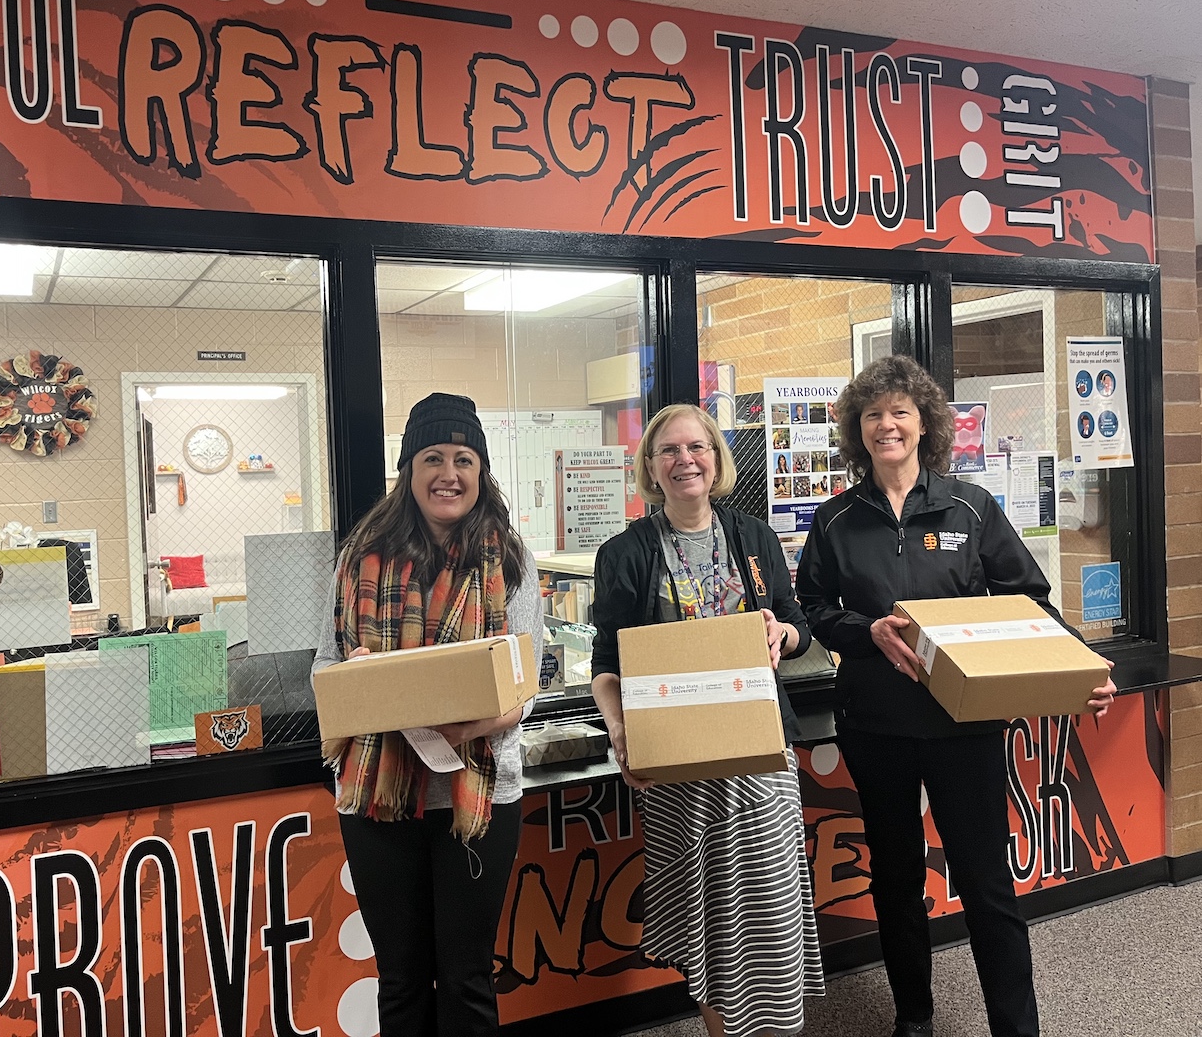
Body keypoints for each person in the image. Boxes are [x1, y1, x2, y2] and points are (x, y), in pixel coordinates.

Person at [795, 356, 1116, 1037]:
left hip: (964, 722)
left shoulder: (971, 507)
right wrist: (866, 630)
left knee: (986, 882)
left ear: (924, 424)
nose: (888, 424)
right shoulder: (835, 519)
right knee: (897, 879)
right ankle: (914, 1016)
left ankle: (1015, 1025)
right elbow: (814, 607)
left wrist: (1081, 666)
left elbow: (1029, 599)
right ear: (859, 428)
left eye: (900, 411)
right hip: (876, 724)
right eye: (874, 413)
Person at [589, 403, 824, 1037]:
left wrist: (783, 635)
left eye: (697, 447)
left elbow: (798, 626)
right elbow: (607, 665)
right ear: (651, 467)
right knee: (707, 920)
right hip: (676, 764)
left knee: (767, 911)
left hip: (759, 757)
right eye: (668, 451)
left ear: (716, 459)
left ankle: (778, 1028)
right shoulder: (625, 553)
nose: (684, 460)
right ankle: (721, 1028)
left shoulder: (754, 538)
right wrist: (619, 730)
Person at [311, 392, 542, 1037]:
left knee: (468, 978)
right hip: (378, 797)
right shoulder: (361, 558)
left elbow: (527, 679)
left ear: (481, 471)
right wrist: (361, 679)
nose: (449, 473)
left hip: (480, 793)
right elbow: (323, 673)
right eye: (432, 458)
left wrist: (486, 722)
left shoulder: (509, 562)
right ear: (408, 472)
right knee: (403, 979)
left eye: (463, 459)